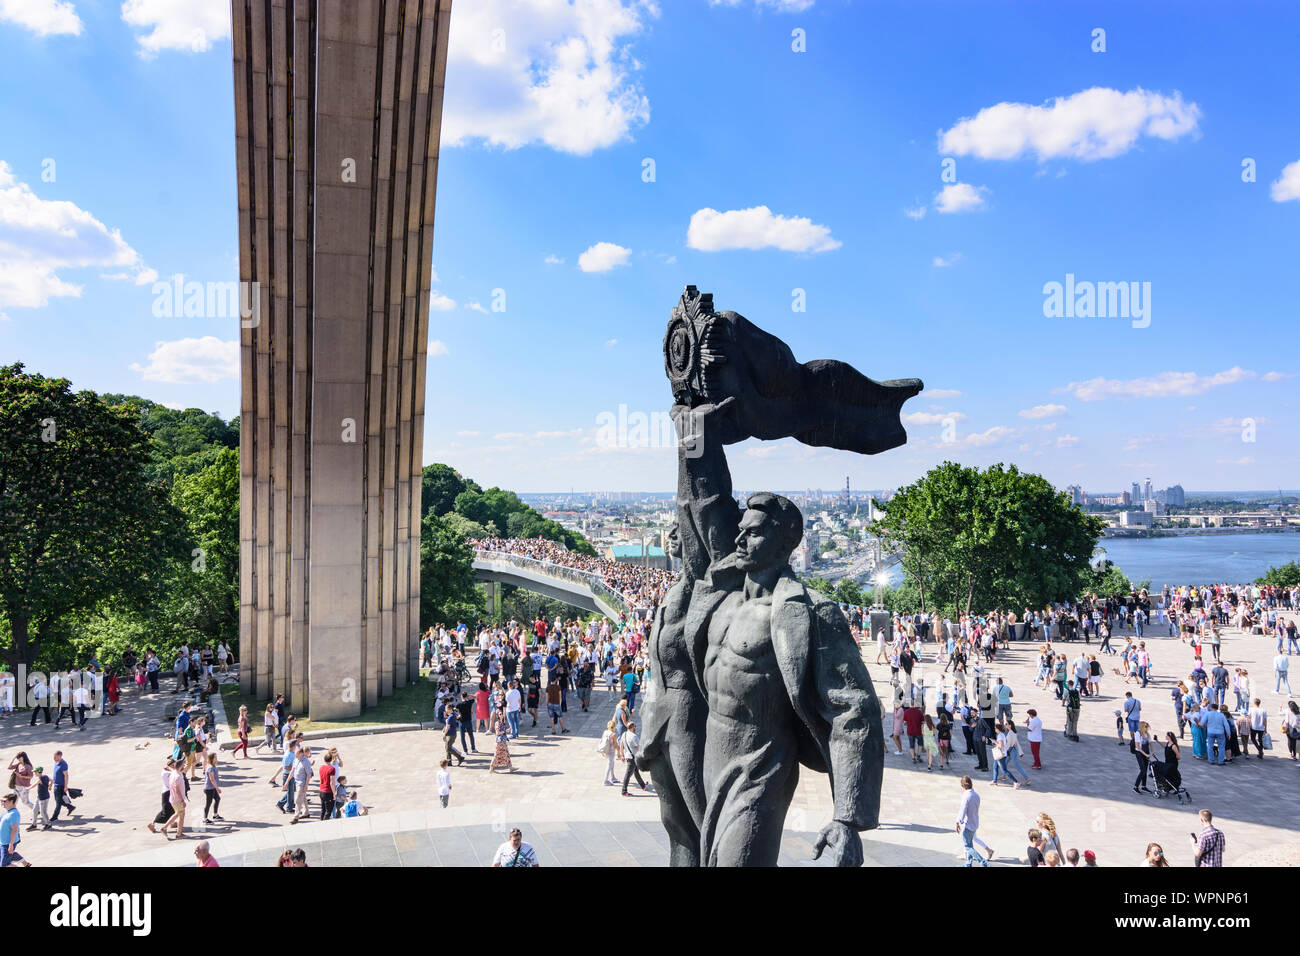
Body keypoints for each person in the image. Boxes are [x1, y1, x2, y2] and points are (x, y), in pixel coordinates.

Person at [955, 776, 989, 867]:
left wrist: (958, 822)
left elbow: (963, 810)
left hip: (968, 824)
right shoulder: (976, 795)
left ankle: (983, 862)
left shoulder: (966, 796)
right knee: (970, 844)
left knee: (968, 847)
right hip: (975, 822)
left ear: (963, 785)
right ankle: (968, 863)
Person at [1, 793, 28, 867]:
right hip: (2, 842)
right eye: (1, 801)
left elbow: (14, 830)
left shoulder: (13, 814)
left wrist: (11, 845)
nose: (2, 803)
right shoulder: (6, 813)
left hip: (7, 843)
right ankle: (24, 863)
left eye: (4, 801)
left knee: (4, 865)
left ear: (11, 801)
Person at [49, 751, 73, 823]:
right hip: (56, 785)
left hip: (60, 786)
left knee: (58, 802)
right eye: (54, 756)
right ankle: (70, 807)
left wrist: (66, 786)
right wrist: (51, 784)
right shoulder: (56, 763)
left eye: (55, 756)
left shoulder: (63, 764)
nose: (54, 758)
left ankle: (55, 816)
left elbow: (66, 776)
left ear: (60, 756)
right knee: (60, 800)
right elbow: (55, 775)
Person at [488, 706, 513, 773]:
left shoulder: (502, 723)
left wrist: (507, 730)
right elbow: (497, 733)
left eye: (502, 714)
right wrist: (505, 731)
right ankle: (491, 768)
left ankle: (510, 768)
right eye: (500, 714)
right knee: (496, 755)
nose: (501, 715)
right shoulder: (497, 723)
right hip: (499, 742)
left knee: (506, 754)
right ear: (498, 716)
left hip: (503, 741)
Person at [202, 752, 224, 824]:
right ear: (211, 759)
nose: (216, 758)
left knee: (217, 799)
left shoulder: (213, 766)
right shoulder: (210, 768)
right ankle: (205, 819)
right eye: (215, 757)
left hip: (212, 788)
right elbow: (212, 779)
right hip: (209, 789)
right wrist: (217, 788)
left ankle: (215, 815)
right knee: (208, 803)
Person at [1132, 721, 1154, 792]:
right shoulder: (1138, 734)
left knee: (1145, 770)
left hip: (1146, 752)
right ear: (1142, 727)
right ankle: (1135, 787)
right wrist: (1146, 754)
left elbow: (1150, 743)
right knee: (1143, 770)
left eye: (1147, 726)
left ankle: (1144, 786)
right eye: (1146, 726)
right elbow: (1137, 747)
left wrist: (1152, 751)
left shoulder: (1147, 734)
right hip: (1139, 753)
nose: (1147, 728)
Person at [597, 719, 619, 785]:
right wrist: (619, 752)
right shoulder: (613, 734)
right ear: (614, 727)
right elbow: (615, 744)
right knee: (609, 765)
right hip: (611, 751)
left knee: (612, 763)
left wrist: (602, 751)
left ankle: (613, 777)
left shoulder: (605, 732)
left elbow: (602, 741)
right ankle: (605, 780)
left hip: (606, 751)